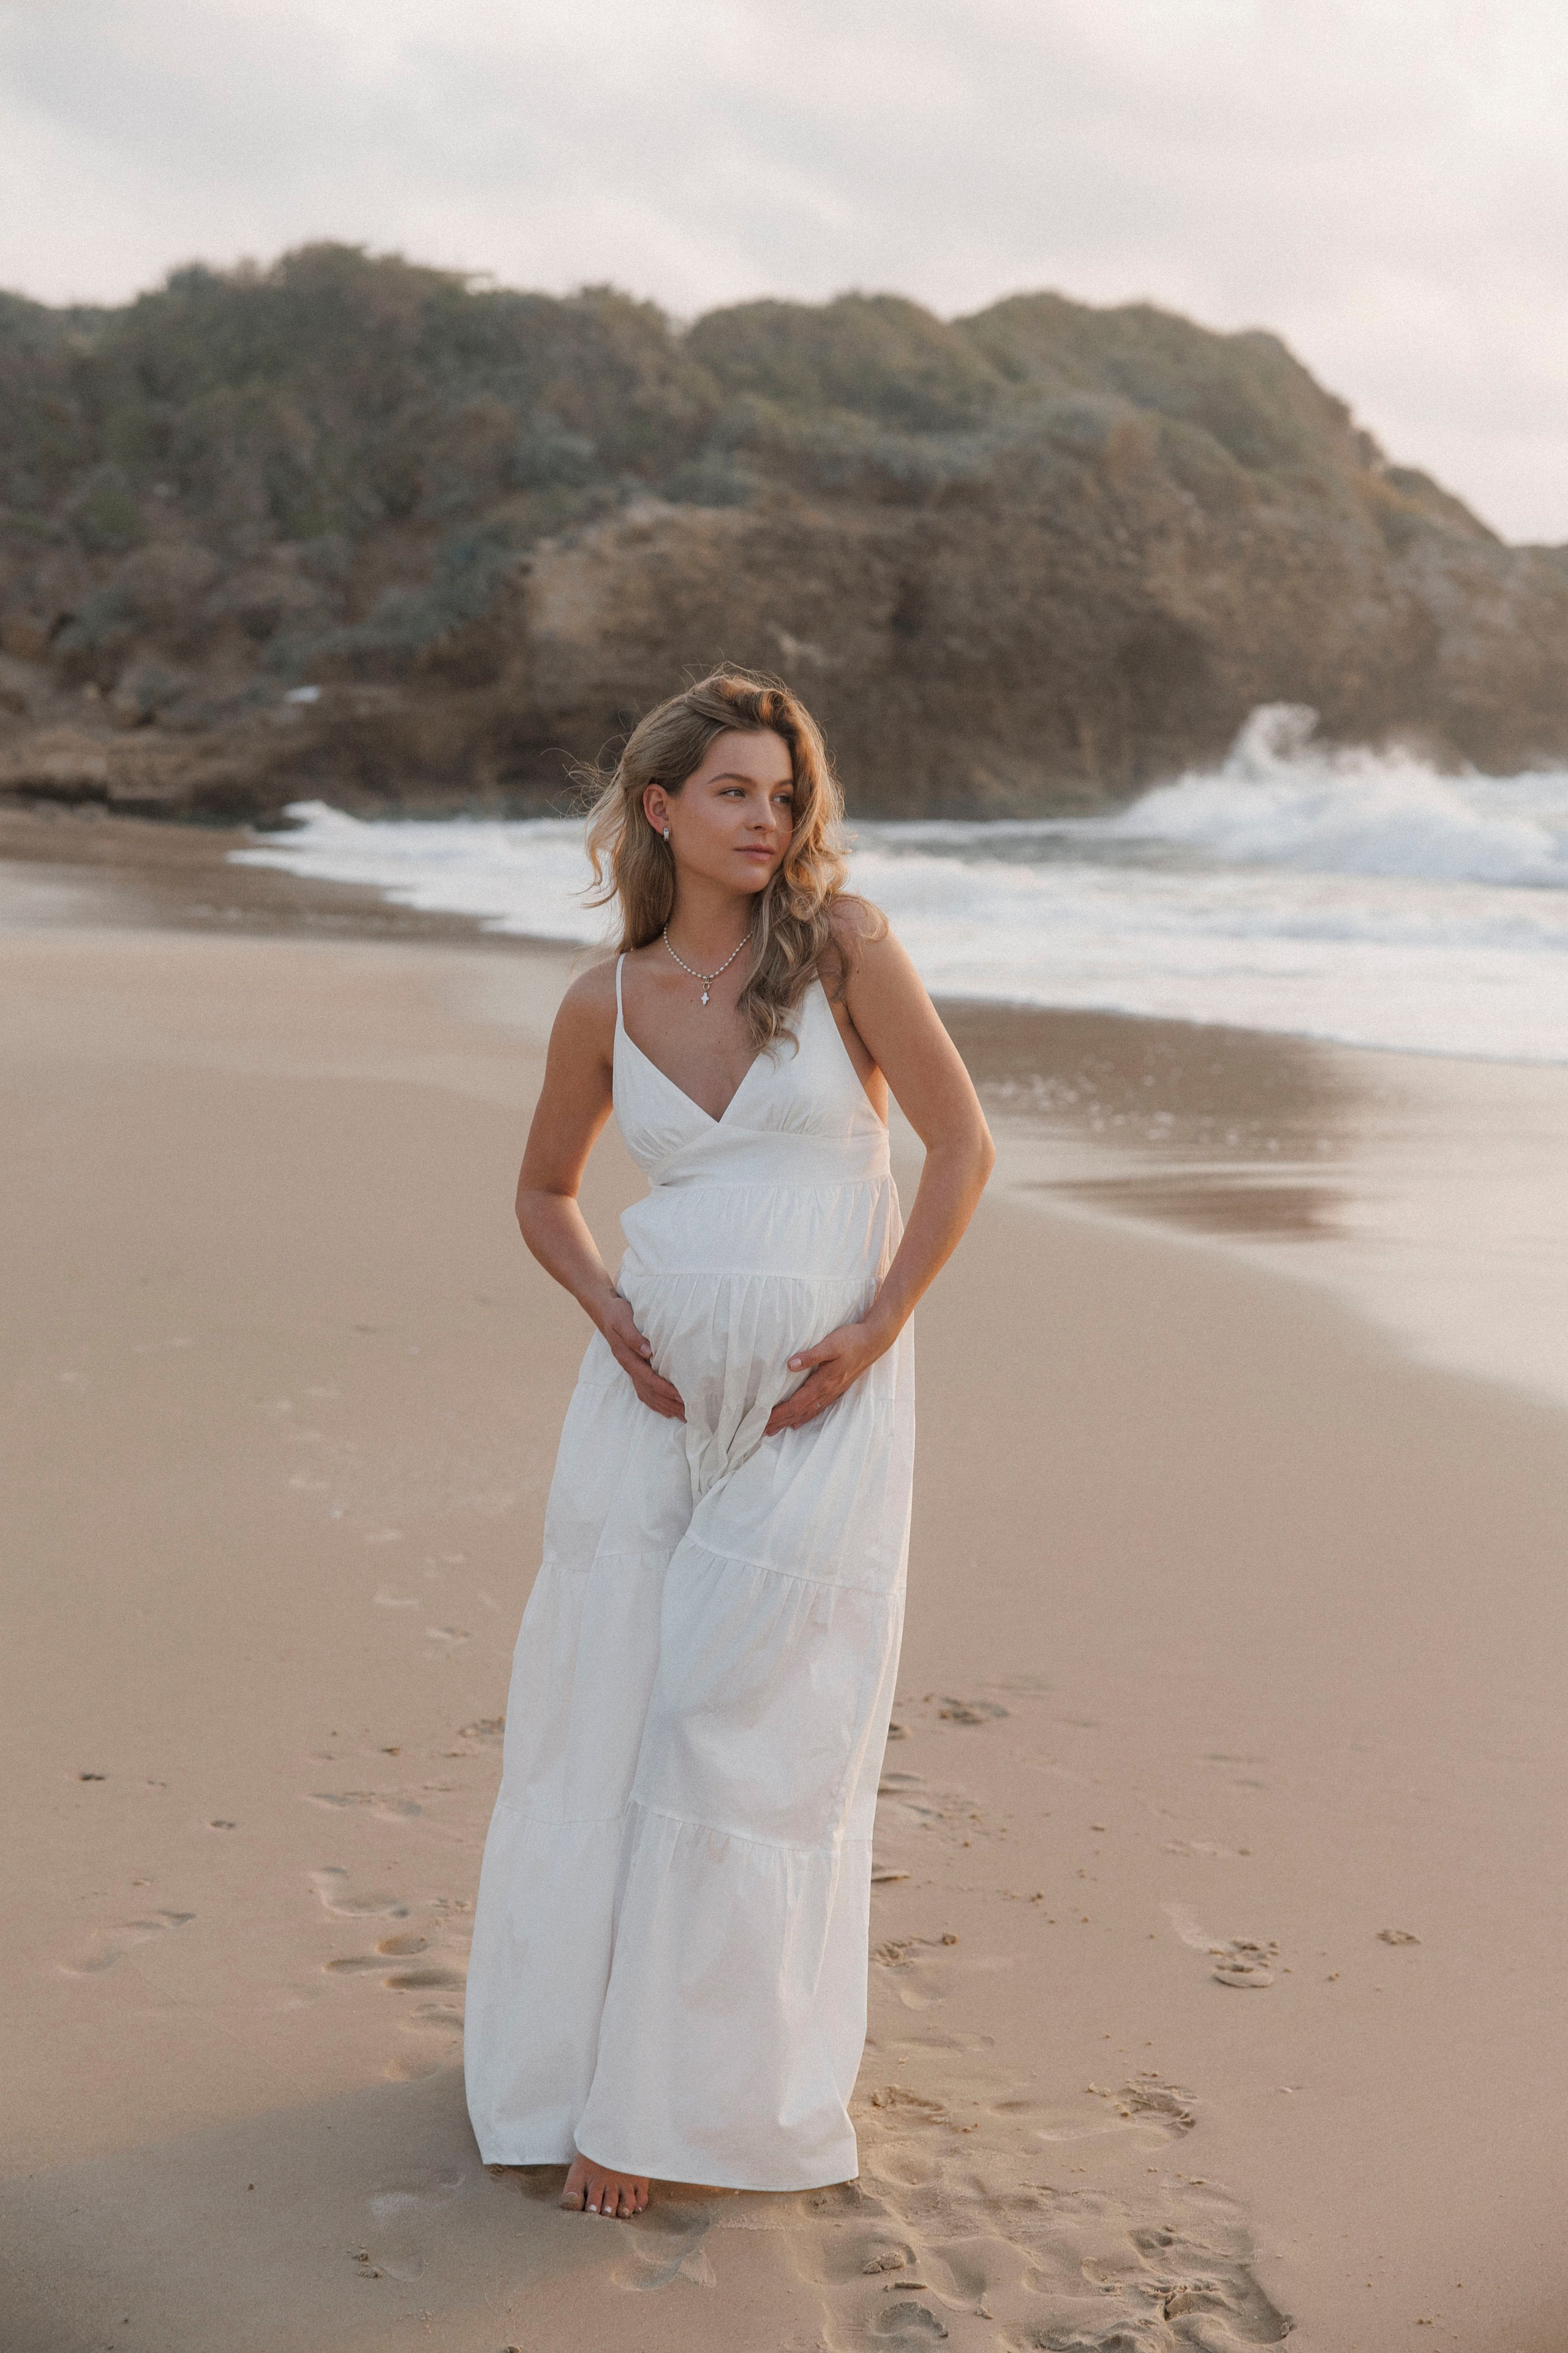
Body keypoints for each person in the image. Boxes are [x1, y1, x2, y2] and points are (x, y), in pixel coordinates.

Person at [462, 668, 995, 2219]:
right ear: (659, 809)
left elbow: (961, 1144)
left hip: (816, 1398)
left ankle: (662, 2107)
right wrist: (605, 1314)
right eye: (733, 793)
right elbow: (543, 1192)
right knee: (610, 1716)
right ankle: (570, 2073)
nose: (766, 819)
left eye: (782, 794)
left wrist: (878, 1324)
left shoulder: (841, 948)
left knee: (731, 1726)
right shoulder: (601, 999)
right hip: (644, 1404)